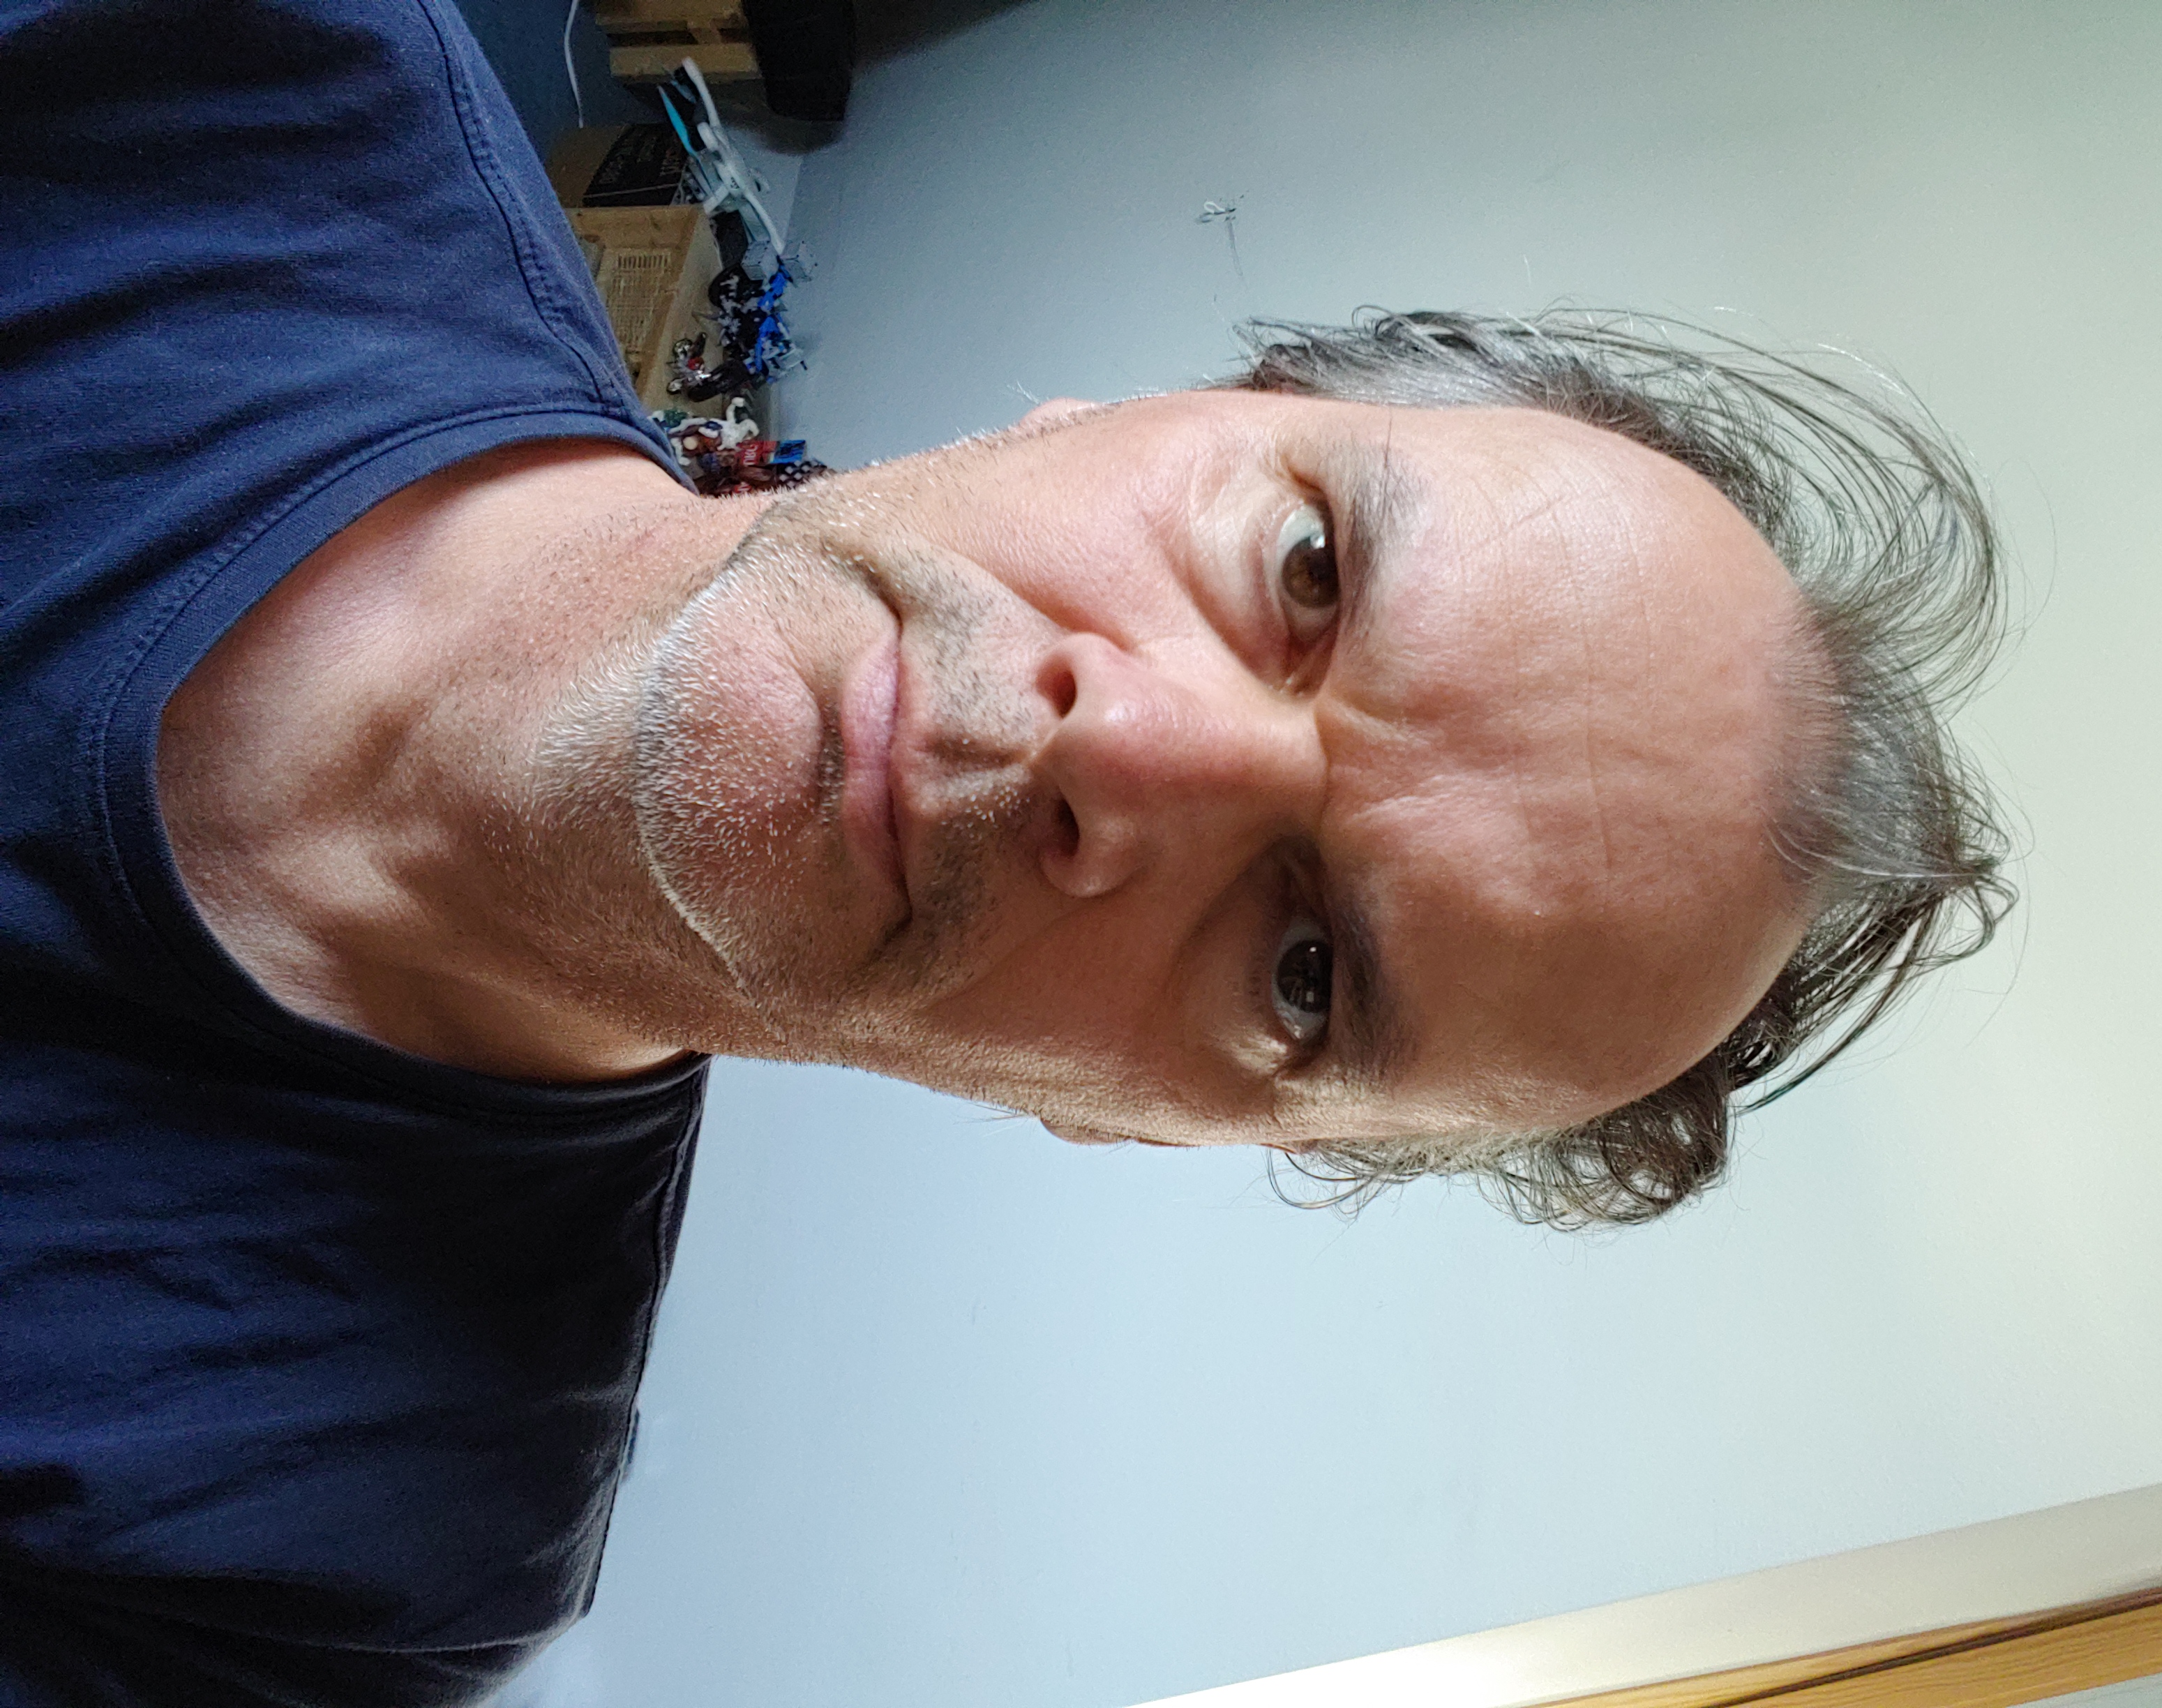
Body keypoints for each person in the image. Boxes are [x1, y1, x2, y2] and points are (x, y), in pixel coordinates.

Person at [0, 2, 2009, 1704]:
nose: (1124, 752)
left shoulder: (349, 1570)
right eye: (1304, 568)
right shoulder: (231, 64)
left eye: (1309, 970)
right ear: (1124, 410)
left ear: (1144, 1123)